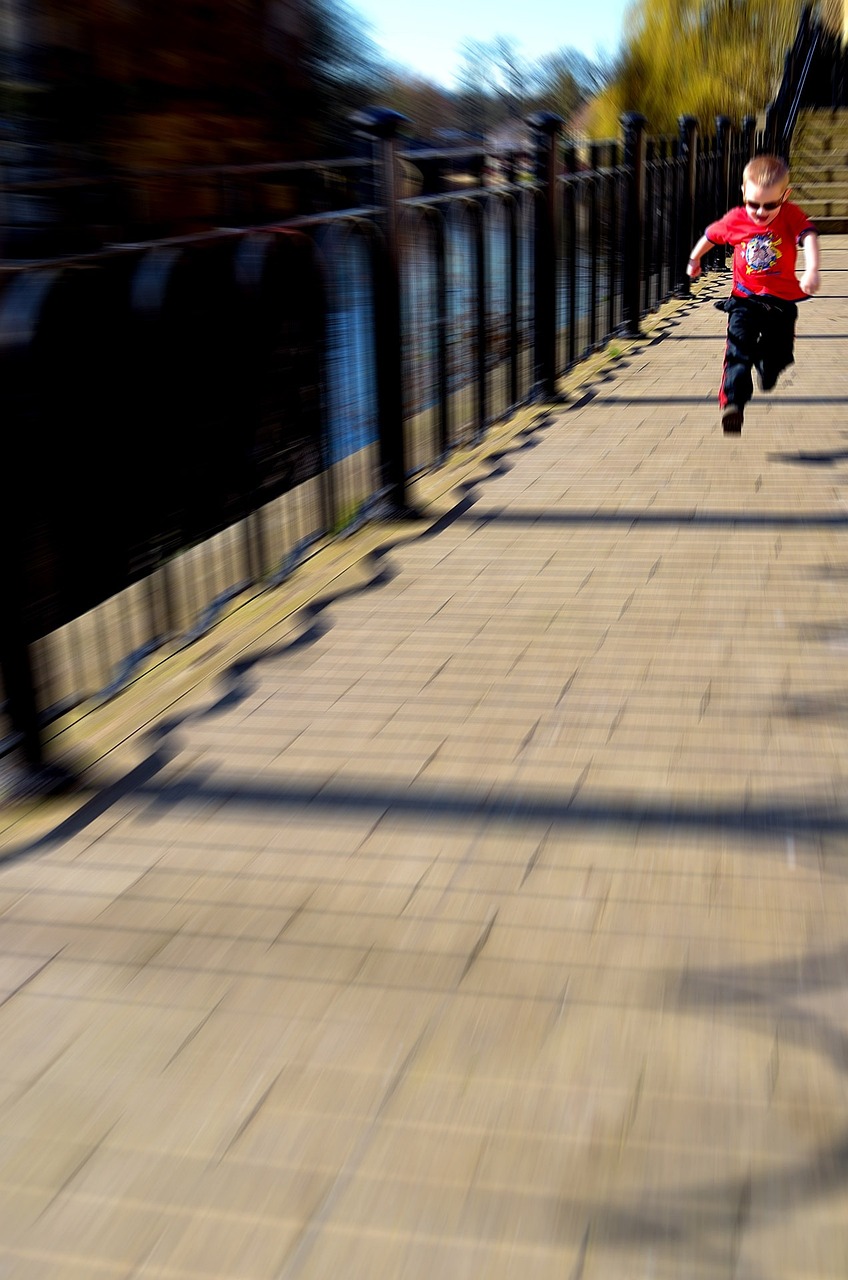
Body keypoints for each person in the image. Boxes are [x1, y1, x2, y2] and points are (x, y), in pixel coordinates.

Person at [686, 154, 820, 435]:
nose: (760, 212)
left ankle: (768, 367)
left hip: (781, 302)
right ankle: (733, 404)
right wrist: (694, 260)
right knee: (737, 351)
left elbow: (808, 236)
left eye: (770, 205)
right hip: (744, 300)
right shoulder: (736, 219)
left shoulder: (790, 215)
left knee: (779, 354)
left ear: (785, 195)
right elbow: (711, 236)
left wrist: (812, 270)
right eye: (753, 204)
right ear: (744, 192)